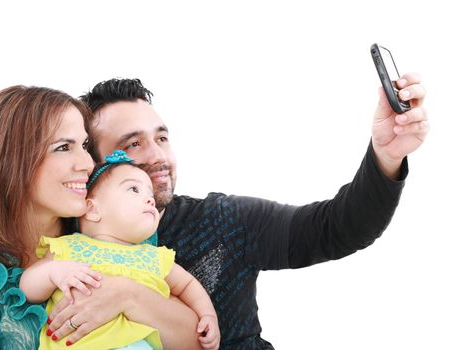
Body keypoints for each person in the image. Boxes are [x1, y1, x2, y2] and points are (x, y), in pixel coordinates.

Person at [44, 76, 429, 349]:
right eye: (133, 144)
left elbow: (337, 228)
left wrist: (387, 155)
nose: (158, 156)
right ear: (93, 165)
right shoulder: (62, 244)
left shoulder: (225, 219)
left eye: (162, 137)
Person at [0, 85, 200, 349]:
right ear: (11, 162)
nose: (88, 163)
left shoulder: (112, 225)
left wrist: (128, 295)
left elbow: (197, 342)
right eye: (64, 147)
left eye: (85, 145)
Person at [20, 150, 220, 350]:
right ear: (92, 209)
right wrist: (53, 272)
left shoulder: (154, 257)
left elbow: (188, 286)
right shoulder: (68, 247)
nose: (150, 199)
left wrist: (207, 315)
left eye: (150, 194)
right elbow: (27, 288)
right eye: (134, 189)